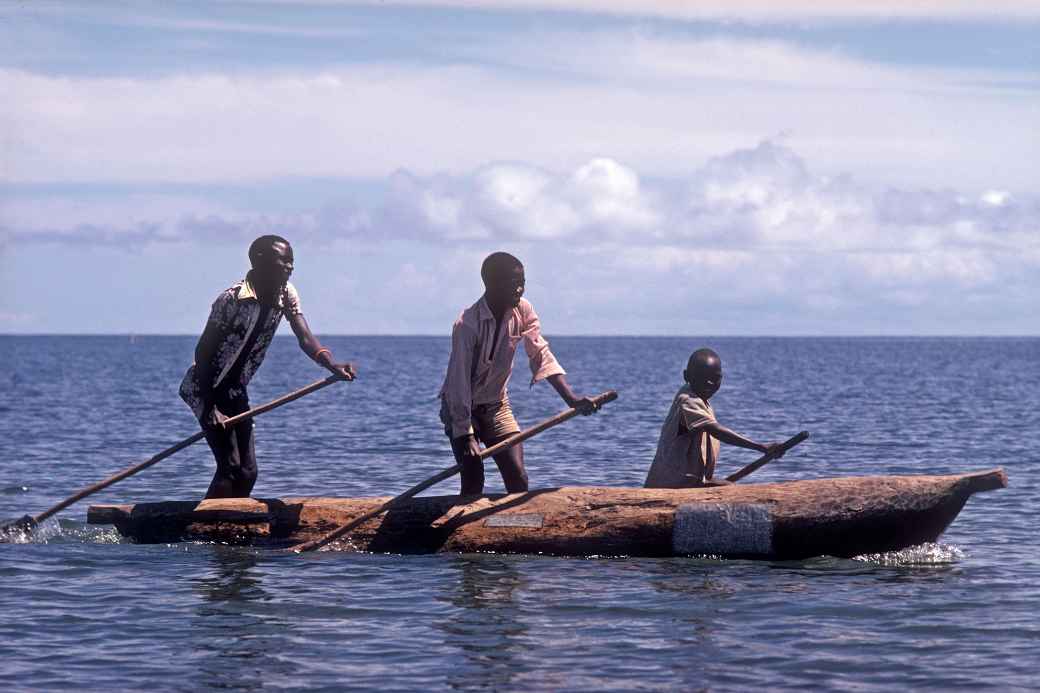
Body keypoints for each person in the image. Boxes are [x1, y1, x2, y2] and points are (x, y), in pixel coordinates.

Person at [180, 235, 356, 499]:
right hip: (203, 387)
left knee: (248, 472)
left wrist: (331, 365)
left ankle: (230, 528)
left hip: (235, 390)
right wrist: (210, 409)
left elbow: (304, 337)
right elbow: (203, 353)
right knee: (229, 467)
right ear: (260, 262)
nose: (290, 266)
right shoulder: (232, 299)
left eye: (291, 261)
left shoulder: (286, 293)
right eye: (283, 260)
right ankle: (203, 531)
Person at [440, 252, 598, 496]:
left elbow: (540, 352)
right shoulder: (467, 324)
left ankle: (516, 526)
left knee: (518, 477)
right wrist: (465, 433)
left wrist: (572, 399)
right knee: (473, 478)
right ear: (491, 284)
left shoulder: (523, 310)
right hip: (461, 409)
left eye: (522, 281)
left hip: (496, 406)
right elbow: (458, 384)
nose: (520, 289)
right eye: (512, 283)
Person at [644, 348, 784, 488]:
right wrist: (761, 447)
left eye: (715, 378)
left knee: (727, 487)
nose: (710, 383)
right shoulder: (688, 401)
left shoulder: (702, 400)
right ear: (687, 376)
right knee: (730, 489)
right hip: (669, 486)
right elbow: (715, 430)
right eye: (702, 377)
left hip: (689, 483)